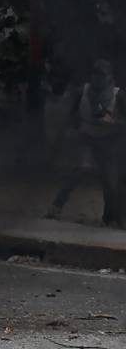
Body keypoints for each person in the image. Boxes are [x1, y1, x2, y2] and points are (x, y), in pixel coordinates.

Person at [46, 60, 126, 226]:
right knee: (81, 169)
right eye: (95, 74)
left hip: (108, 141)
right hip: (87, 138)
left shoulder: (119, 95)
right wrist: (65, 132)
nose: (97, 79)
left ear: (109, 78)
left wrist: (114, 122)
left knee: (109, 180)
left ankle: (110, 217)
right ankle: (56, 207)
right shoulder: (82, 91)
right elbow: (69, 114)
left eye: (101, 75)